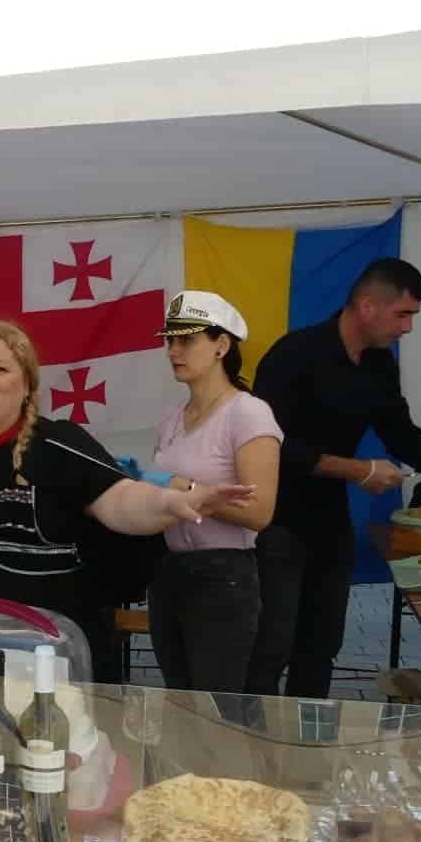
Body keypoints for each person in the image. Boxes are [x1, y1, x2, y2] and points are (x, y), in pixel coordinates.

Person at [0, 319, 254, 671]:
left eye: (0, 369)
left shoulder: (59, 444)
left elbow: (120, 500)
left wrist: (169, 502)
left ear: (26, 384)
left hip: (43, 666)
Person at [249, 259, 421, 698]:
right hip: (276, 521)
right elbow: (272, 446)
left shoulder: (379, 364)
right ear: (367, 306)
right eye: (403, 314)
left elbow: (403, 436)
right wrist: (360, 470)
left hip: (330, 522)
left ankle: (308, 735)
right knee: (271, 646)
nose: (408, 328)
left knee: (320, 647)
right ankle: (249, 735)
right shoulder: (294, 355)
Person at [146, 292, 282, 702]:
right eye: (170, 340)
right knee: (180, 703)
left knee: (215, 708)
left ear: (221, 345)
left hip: (224, 576)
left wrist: (184, 490)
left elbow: (260, 511)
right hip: (170, 570)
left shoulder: (248, 412)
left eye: (186, 340)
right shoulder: (171, 417)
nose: (173, 351)